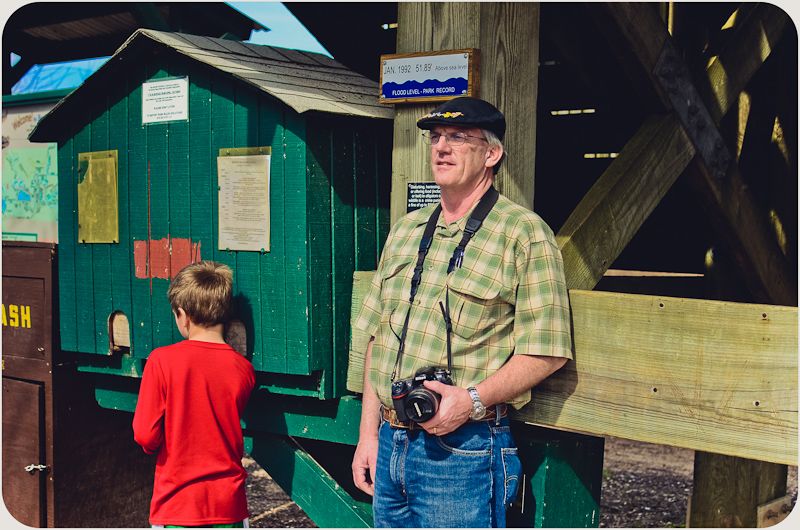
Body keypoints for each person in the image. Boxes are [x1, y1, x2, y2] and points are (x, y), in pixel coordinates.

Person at [350, 96, 573, 527]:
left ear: (492, 154)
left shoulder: (524, 233)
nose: (441, 148)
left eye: (457, 138)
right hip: (391, 439)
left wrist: (470, 401)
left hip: (464, 448)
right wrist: (368, 435)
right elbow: (379, 339)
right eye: (435, 138)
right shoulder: (407, 229)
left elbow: (548, 350)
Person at [133, 261, 256, 528]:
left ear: (183, 315)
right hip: (229, 506)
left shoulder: (161, 361)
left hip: (177, 504)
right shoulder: (243, 369)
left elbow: (145, 434)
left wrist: (153, 445)